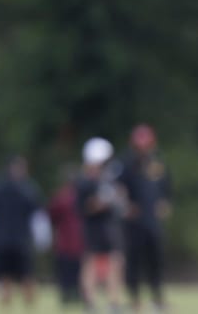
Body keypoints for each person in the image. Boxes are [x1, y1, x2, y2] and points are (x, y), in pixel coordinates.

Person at [117, 124, 172, 313]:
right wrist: (126, 206)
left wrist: (164, 204)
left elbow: (166, 188)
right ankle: (134, 300)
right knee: (133, 261)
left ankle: (157, 299)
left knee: (156, 261)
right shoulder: (126, 164)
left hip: (153, 222)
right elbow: (118, 190)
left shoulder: (158, 163)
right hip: (134, 223)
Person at [75, 137, 126, 314]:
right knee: (90, 262)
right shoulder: (84, 182)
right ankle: (89, 302)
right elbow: (85, 207)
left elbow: (120, 199)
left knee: (115, 261)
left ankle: (114, 302)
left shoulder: (109, 179)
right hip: (93, 227)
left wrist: (116, 197)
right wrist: (103, 201)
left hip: (110, 225)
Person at [0, 155, 42, 311]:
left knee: (25, 275)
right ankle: (8, 307)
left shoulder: (25, 189)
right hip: (10, 240)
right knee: (6, 276)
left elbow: (37, 217)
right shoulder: (26, 189)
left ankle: (29, 306)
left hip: (14, 240)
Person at [48, 164, 85, 307]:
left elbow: (51, 216)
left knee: (66, 273)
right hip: (79, 241)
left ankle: (67, 296)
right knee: (78, 272)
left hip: (65, 242)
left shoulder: (60, 197)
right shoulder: (81, 195)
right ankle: (77, 295)